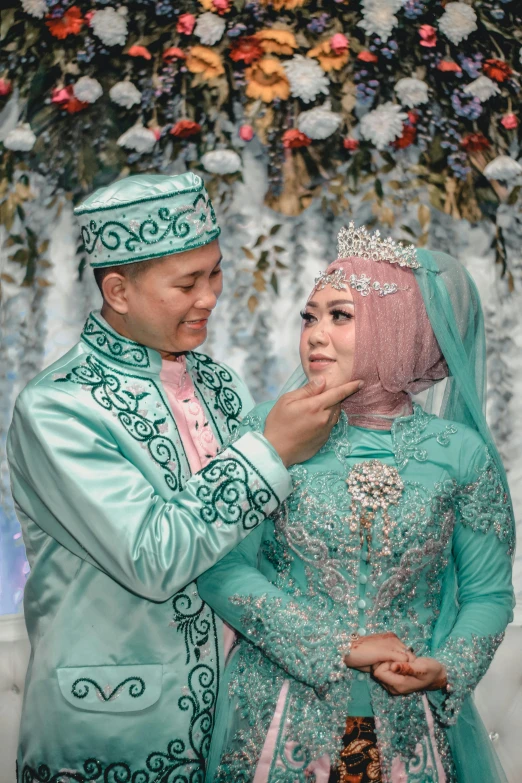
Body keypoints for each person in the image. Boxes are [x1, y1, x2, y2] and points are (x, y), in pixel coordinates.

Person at [6, 173, 361, 782]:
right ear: (118, 290)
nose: (210, 297)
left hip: (238, 721)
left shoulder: (219, 383)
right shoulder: (58, 407)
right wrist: (271, 448)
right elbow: (153, 556)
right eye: (187, 283)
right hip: (117, 729)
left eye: (215, 272)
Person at [198, 223, 515, 783]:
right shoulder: (271, 429)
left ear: (404, 330)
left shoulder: (459, 454)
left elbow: (487, 593)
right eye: (310, 316)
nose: (316, 335)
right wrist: (341, 647)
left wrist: (444, 667)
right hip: (275, 721)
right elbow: (223, 570)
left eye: (341, 315)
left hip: (407, 731)